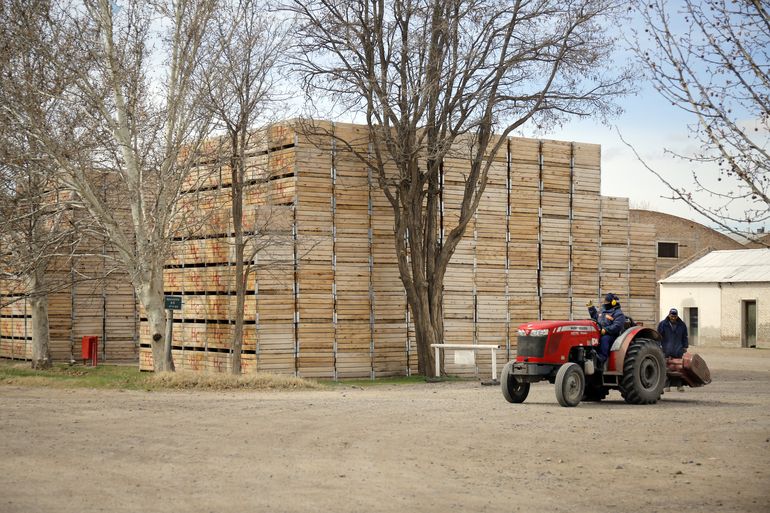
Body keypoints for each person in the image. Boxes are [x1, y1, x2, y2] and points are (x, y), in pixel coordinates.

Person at [587, 293, 627, 368]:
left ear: (613, 302)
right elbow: (596, 317)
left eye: (607, 302)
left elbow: (617, 326)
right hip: (600, 332)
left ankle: (602, 358)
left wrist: (606, 330)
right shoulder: (603, 310)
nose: (605, 303)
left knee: (604, 339)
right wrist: (591, 308)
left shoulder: (618, 314)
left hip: (612, 335)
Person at [658, 308, 689, 392]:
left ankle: (679, 386)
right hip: (666, 350)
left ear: (677, 316)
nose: (673, 318)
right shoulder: (662, 324)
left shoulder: (682, 325)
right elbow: (658, 337)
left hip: (678, 350)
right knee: (667, 368)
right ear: (669, 315)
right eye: (672, 316)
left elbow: (685, 337)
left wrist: (685, 346)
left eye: (675, 316)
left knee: (679, 369)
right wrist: (659, 346)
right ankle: (666, 386)